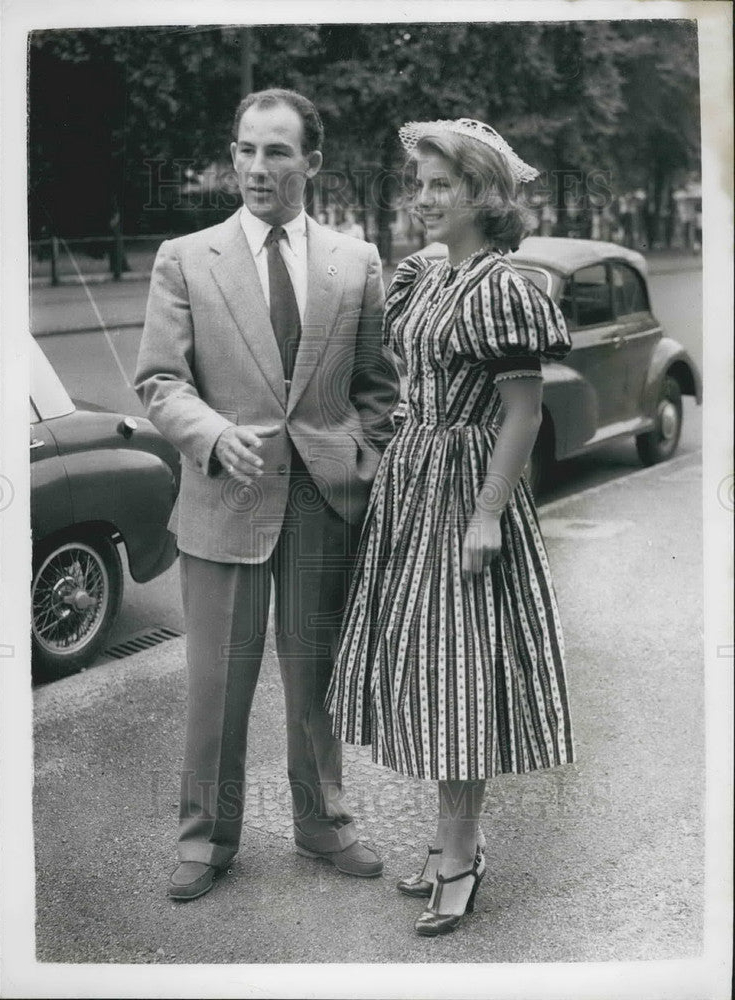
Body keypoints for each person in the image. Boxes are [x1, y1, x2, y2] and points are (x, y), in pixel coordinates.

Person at [134, 88, 400, 901]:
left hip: (324, 501)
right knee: (218, 684)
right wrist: (211, 435)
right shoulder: (186, 257)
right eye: (246, 149)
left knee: (314, 678)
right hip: (226, 497)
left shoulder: (354, 261)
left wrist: (360, 457)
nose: (256, 167)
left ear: (311, 163)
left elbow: (377, 388)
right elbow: (158, 380)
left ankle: (323, 824)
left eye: (276, 151)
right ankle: (205, 838)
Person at [326, 118, 575, 936]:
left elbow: (524, 413)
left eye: (442, 185)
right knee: (428, 676)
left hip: (465, 488)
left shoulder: (502, 287)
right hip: (413, 486)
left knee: (458, 678)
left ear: (484, 194)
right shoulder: (425, 280)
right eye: (420, 184)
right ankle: (443, 843)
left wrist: (487, 513)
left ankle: (462, 856)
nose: (424, 198)